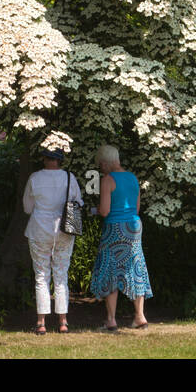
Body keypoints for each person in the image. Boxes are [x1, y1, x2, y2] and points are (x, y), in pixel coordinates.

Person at [89, 144, 151, 330]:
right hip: (134, 226)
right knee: (135, 267)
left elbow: (105, 211)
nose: (101, 168)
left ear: (107, 163)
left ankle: (111, 320)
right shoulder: (133, 178)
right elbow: (136, 208)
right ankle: (140, 317)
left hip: (114, 228)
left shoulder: (108, 180)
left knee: (110, 268)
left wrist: (95, 210)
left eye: (101, 164)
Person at [22, 148, 83, 335]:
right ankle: (63, 322)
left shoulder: (35, 178)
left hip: (39, 229)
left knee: (41, 275)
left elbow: (27, 207)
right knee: (61, 275)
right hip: (64, 231)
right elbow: (78, 203)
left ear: (44, 158)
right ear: (60, 159)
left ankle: (41, 323)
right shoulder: (69, 177)